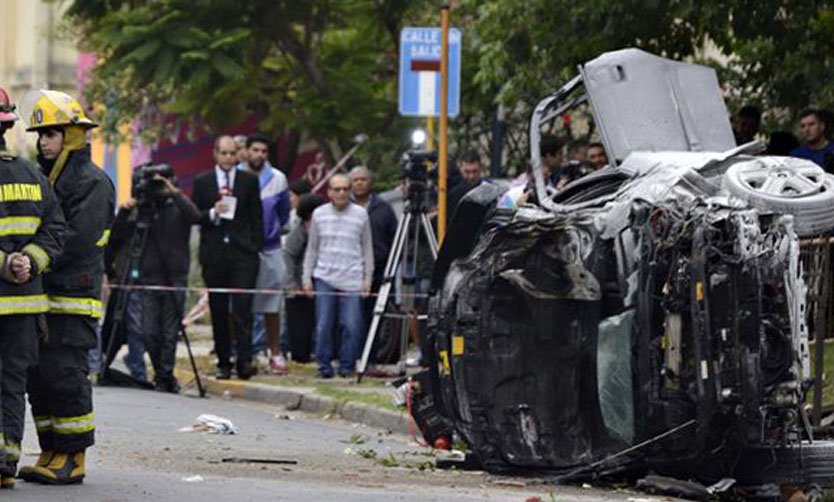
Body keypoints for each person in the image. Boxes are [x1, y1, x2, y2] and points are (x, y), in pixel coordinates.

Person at [20, 89, 115, 485]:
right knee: (39, 377)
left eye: (52, 133)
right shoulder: (44, 178)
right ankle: (51, 449)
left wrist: (33, 257)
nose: (43, 141)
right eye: (40, 134)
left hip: (72, 298)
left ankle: (73, 456)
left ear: (73, 136)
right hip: (41, 297)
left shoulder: (93, 183)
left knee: (66, 374)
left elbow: (74, 240)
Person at [0, 86, 66, 489]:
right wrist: (29, 262)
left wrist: (6, 264)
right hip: (24, 305)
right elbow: (55, 231)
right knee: (11, 382)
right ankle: (5, 462)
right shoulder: (32, 176)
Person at [107, 166, 201, 393]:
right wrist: (124, 211)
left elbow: (196, 217)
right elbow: (118, 236)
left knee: (170, 332)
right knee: (149, 332)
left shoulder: (178, 205)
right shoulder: (144, 207)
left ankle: (164, 376)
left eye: (164, 180)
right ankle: (161, 371)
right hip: (149, 277)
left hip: (175, 277)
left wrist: (174, 193)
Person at [192, 135, 264, 380]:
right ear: (215, 154)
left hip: (242, 255)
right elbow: (195, 215)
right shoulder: (202, 181)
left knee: (243, 310)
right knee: (219, 310)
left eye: (233, 153)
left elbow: (257, 217)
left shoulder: (248, 181)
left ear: (238, 155)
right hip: (214, 254)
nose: (228, 158)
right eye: (224, 153)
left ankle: (245, 360)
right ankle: (224, 361)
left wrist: (254, 247)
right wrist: (213, 212)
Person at [303, 174, 373, 378]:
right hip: (325, 276)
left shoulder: (361, 214)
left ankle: (347, 365)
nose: (341, 193)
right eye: (337, 189)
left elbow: (367, 249)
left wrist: (367, 279)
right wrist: (306, 278)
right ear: (329, 192)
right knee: (324, 324)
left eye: (345, 189)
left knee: (352, 324)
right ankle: (324, 365)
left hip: (352, 276)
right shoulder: (319, 214)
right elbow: (312, 249)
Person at [241, 133, 290, 374]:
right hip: (243, 250)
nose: (259, 155)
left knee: (272, 304)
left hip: (270, 248)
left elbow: (283, 215)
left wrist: (270, 233)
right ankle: (244, 351)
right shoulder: (237, 175)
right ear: (247, 151)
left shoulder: (278, 178)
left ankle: (275, 353)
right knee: (240, 304)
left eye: (264, 151)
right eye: (256, 150)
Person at [348, 166, 397, 356]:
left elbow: (395, 239)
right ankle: (351, 354)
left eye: (363, 179)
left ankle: (374, 355)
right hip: (350, 270)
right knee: (352, 316)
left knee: (375, 315)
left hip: (379, 269)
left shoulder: (384, 208)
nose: (359, 183)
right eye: (355, 179)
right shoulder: (343, 206)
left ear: (371, 182)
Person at [283, 193, 324, 362]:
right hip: (299, 283)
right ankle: (300, 354)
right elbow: (289, 255)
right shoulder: (299, 230)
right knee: (299, 323)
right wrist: (292, 283)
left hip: (319, 278)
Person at [447, 149, 486, 223]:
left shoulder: (488, 189)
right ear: (460, 169)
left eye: (475, 171)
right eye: (467, 172)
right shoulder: (454, 192)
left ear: (481, 168)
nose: (471, 176)